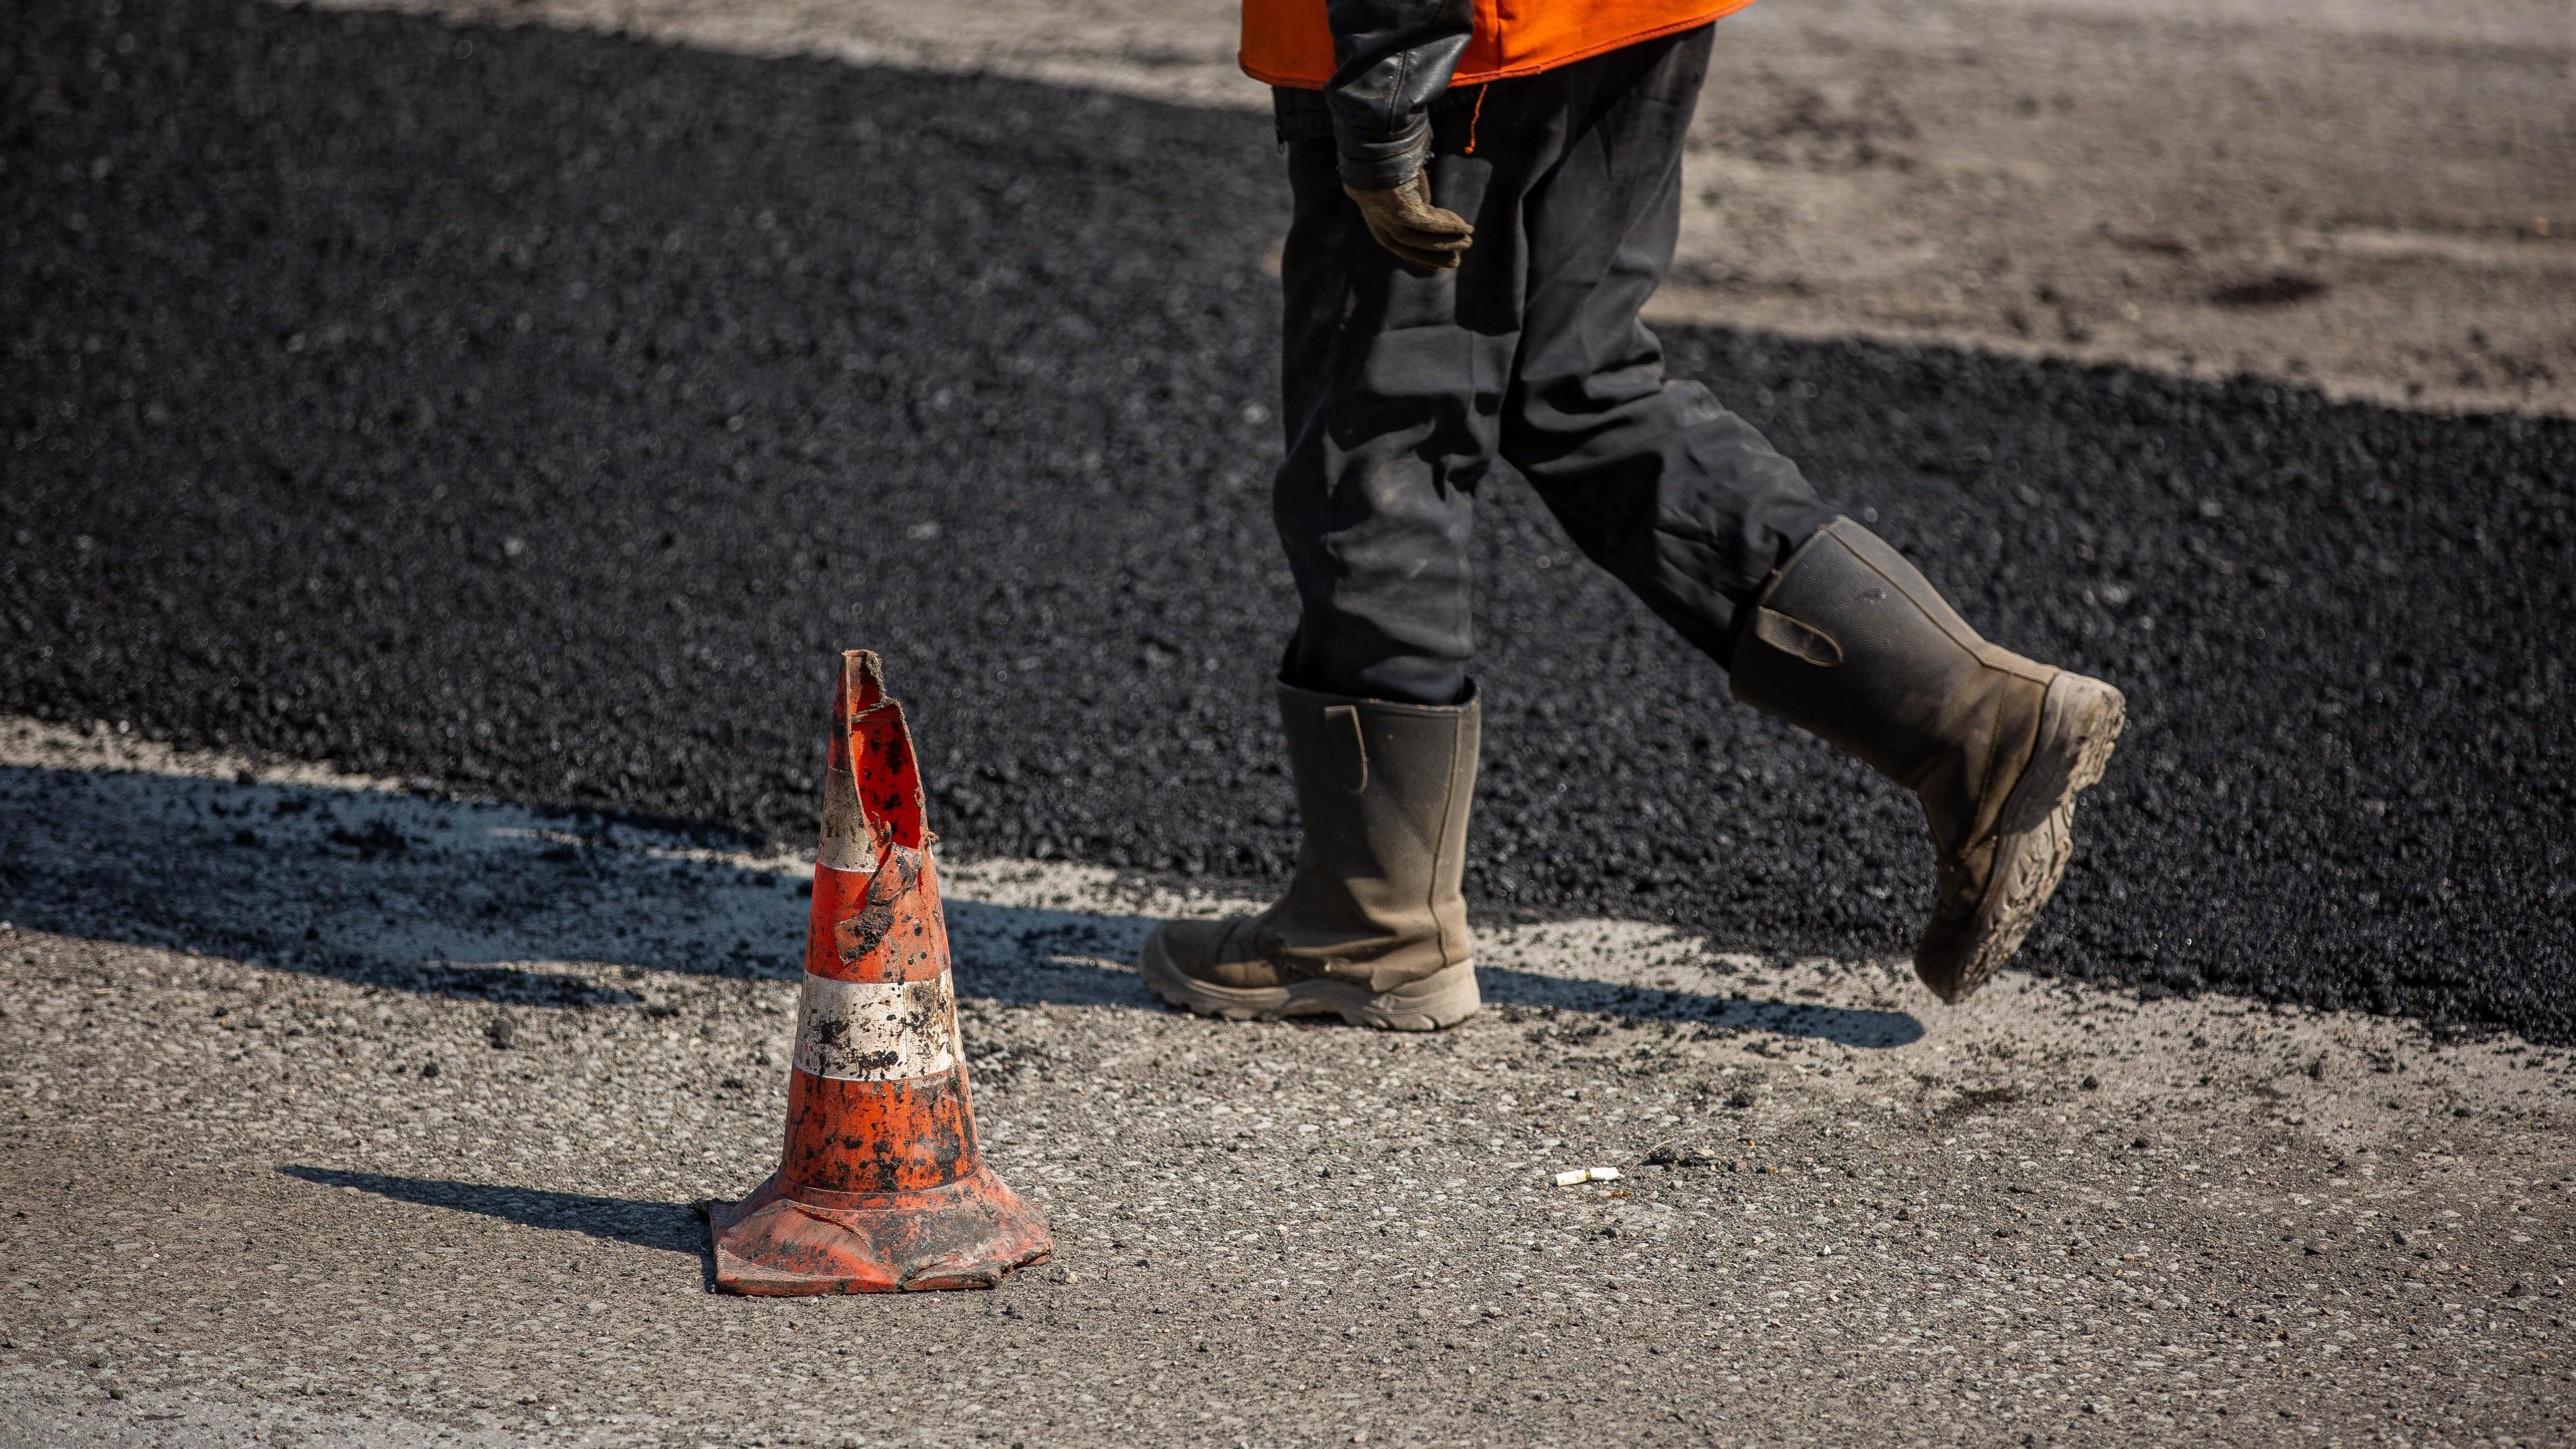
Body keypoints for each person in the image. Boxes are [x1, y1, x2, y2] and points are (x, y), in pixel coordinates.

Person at [1139, 0, 2126, 1030]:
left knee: (1382, 439)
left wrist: (1387, 98)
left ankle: (1371, 923)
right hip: (1626, 14)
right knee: (1579, 380)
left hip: (1457, 47)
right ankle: (1973, 719)